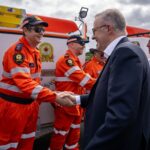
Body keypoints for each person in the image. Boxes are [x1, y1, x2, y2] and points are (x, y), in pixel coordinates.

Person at [69, 9, 150, 150]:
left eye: (94, 31)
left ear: (107, 28)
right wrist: (77, 99)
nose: (93, 37)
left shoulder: (125, 53)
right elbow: (108, 94)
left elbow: (121, 116)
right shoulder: (128, 50)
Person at [0, 16, 74, 150]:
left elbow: (34, 83)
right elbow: (25, 83)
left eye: (43, 30)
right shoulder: (18, 52)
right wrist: (55, 97)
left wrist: (54, 93)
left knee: (27, 140)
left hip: (30, 105)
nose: (41, 33)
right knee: (7, 144)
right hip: (13, 108)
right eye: (37, 29)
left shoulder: (35, 52)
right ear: (26, 31)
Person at [50, 35, 96, 150]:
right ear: (71, 44)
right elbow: (84, 80)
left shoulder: (75, 60)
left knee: (74, 134)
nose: (83, 46)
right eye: (81, 43)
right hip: (65, 104)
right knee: (60, 134)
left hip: (74, 103)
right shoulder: (67, 60)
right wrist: (105, 84)